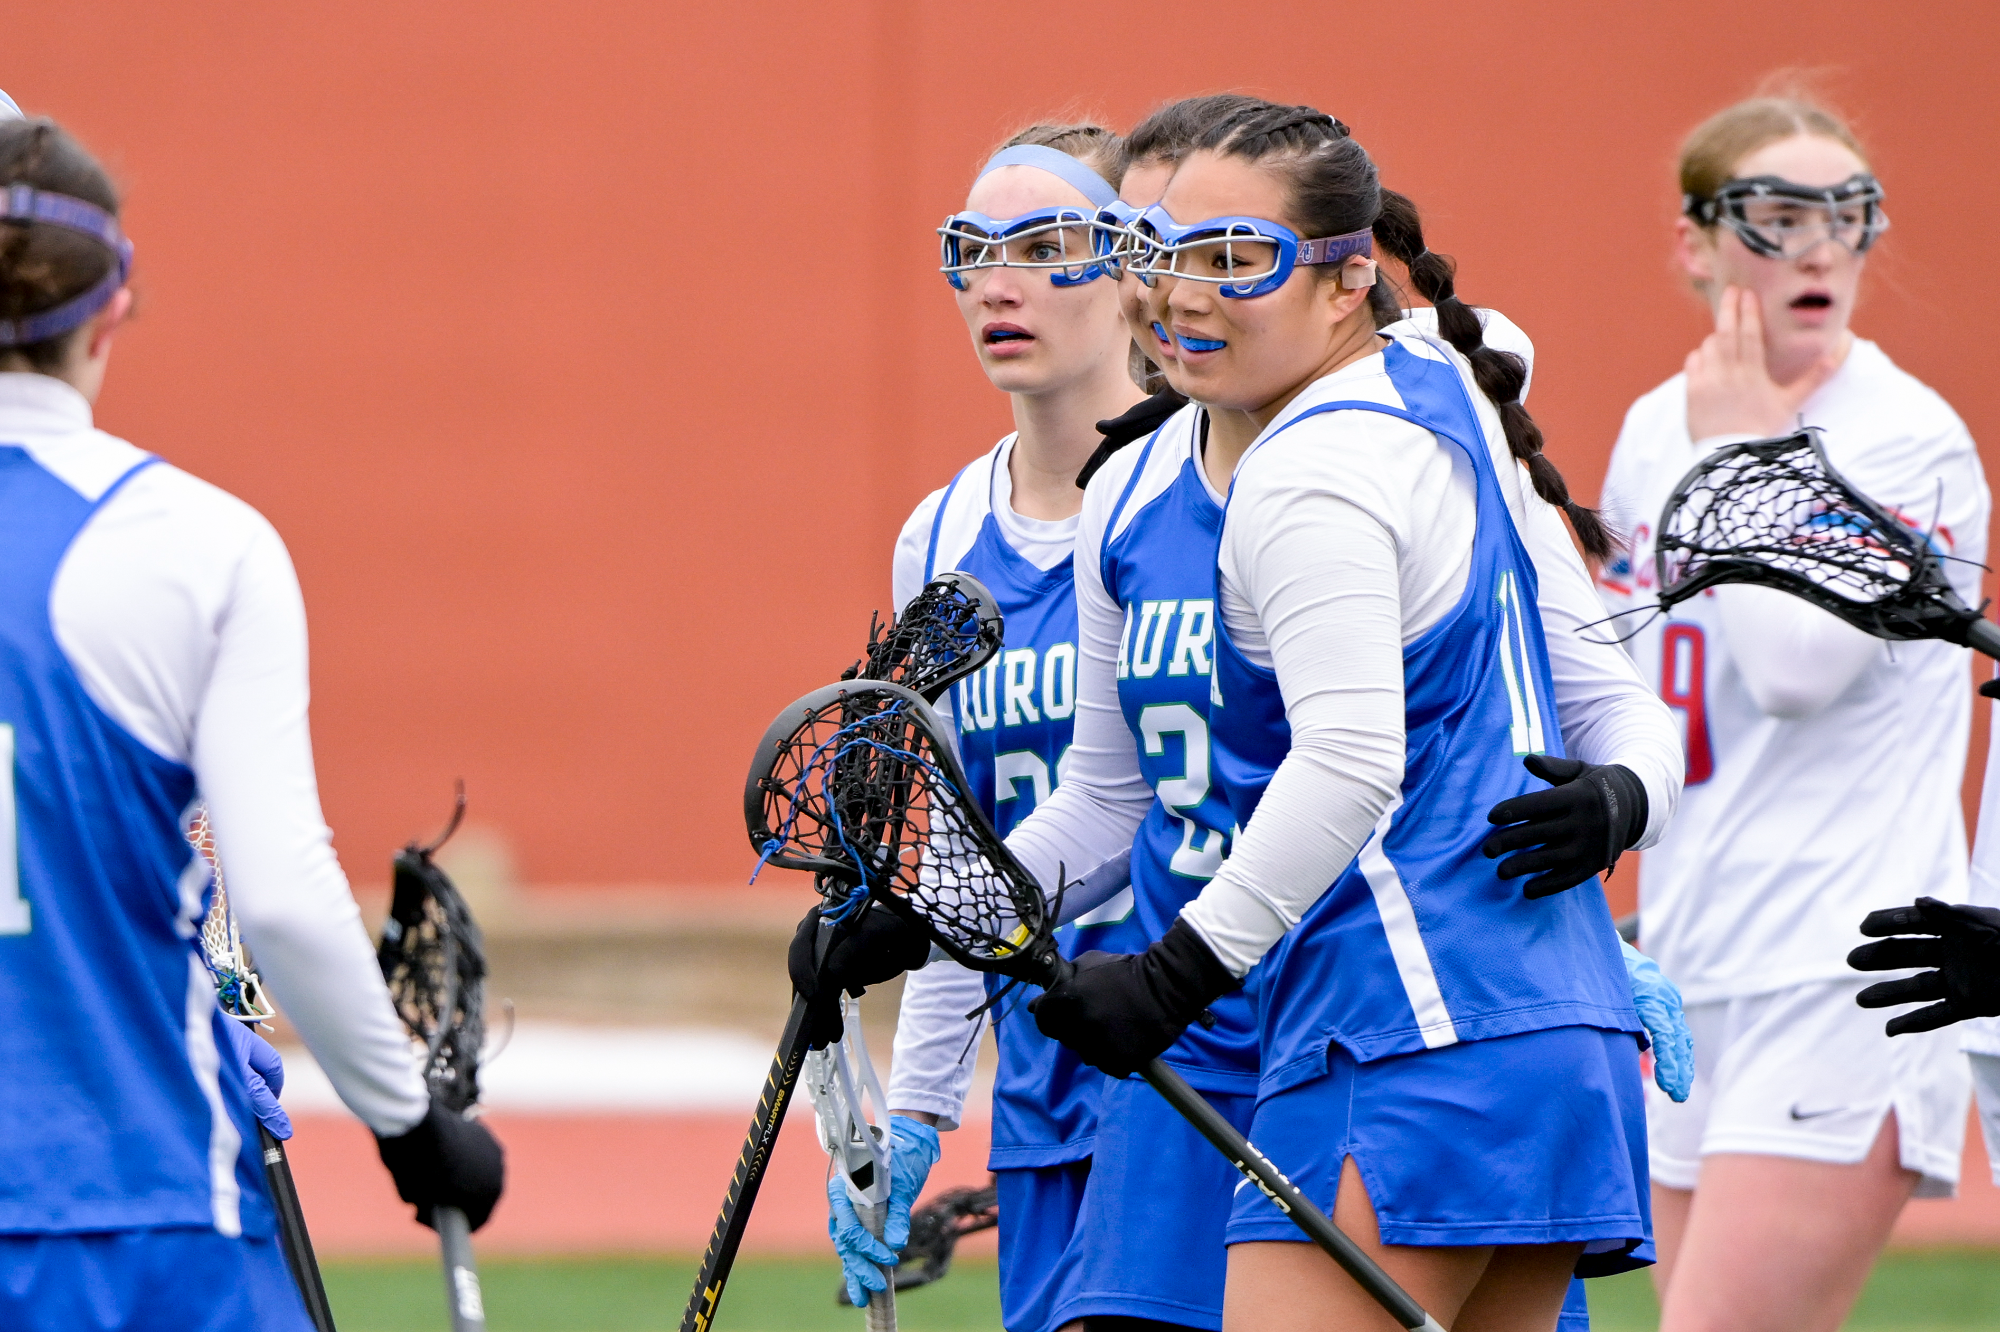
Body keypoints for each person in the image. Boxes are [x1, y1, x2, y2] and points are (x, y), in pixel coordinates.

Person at [1019, 99, 1671, 1332]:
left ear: (1342, 282)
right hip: (1537, 1029)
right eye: (1159, 253)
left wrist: (1168, 976)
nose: (1182, 294)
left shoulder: (1313, 466)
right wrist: (932, 905)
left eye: (1237, 258)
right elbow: (1476, 340)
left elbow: (1351, 761)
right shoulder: (1436, 391)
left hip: (1392, 1025)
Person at [0, 116, 502, 1331]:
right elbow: (280, 901)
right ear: (113, 305)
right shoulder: (196, 546)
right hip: (133, 1213)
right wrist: (409, 1125)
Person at [1593, 90, 1988, 1332]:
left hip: (1852, 966)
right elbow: (1624, 682)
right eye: (1774, 214)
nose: (1818, 246)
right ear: (1694, 242)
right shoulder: (1657, 426)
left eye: (1847, 214)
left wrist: (1747, 452)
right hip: (1696, 954)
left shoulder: (1903, 434)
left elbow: (1795, 669)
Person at [797, 120, 1153, 1330]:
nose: (998, 284)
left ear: (1130, 267)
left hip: (1201, 1046)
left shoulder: (1212, 488)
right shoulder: (941, 542)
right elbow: (959, 866)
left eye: (1046, 245)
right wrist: (913, 1118)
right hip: (1047, 1077)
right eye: (971, 250)